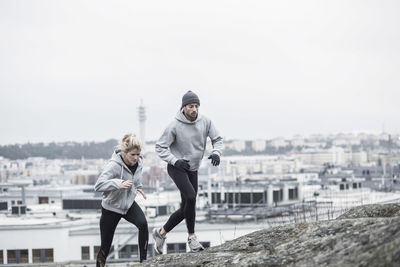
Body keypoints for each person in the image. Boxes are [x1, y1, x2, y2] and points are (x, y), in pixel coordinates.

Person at [153, 90, 223, 254]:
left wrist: (216, 152)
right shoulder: (174, 125)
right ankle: (192, 237)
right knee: (191, 197)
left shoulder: (205, 121)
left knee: (187, 208)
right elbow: (160, 147)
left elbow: (217, 139)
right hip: (177, 167)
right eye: (191, 106)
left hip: (193, 168)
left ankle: (160, 233)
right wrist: (175, 160)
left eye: (197, 106)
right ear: (184, 107)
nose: (194, 109)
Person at [94, 133, 148, 266]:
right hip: (111, 208)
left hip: (128, 204)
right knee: (105, 247)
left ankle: (144, 262)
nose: (136, 158)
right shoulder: (114, 165)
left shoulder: (140, 162)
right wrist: (118, 183)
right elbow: (98, 185)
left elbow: (135, 177)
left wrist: (138, 186)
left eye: (138, 154)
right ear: (125, 152)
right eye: (133, 155)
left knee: (143, 224)